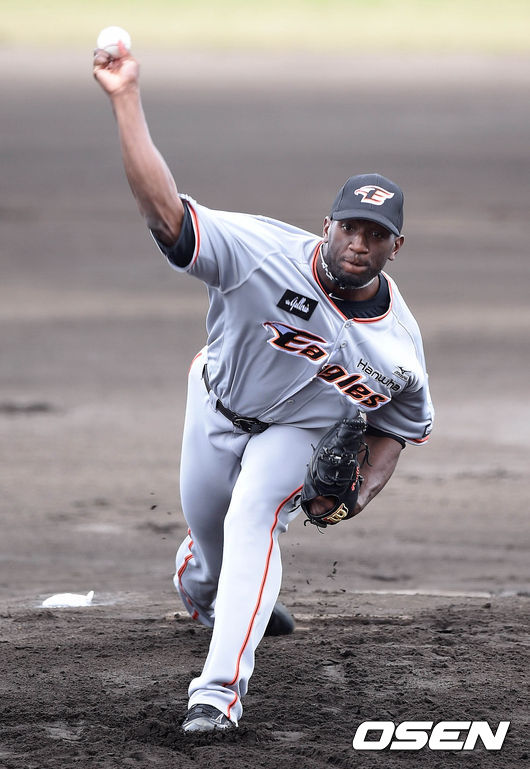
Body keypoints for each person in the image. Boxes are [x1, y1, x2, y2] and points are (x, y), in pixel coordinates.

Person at [93, 46, 434, 733]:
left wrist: (356, 496)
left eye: (376, 234)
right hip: (214, 403)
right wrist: (125, 98)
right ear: (327, 224)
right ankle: (206, 584)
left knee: (254, 518)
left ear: (395, 247)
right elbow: (165, 213)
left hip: (298, 432)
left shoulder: (399, 347)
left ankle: (217, 695)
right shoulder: (260, 252)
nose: (359, 243)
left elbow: (398, 428)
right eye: (350, 227)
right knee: (214, 552)